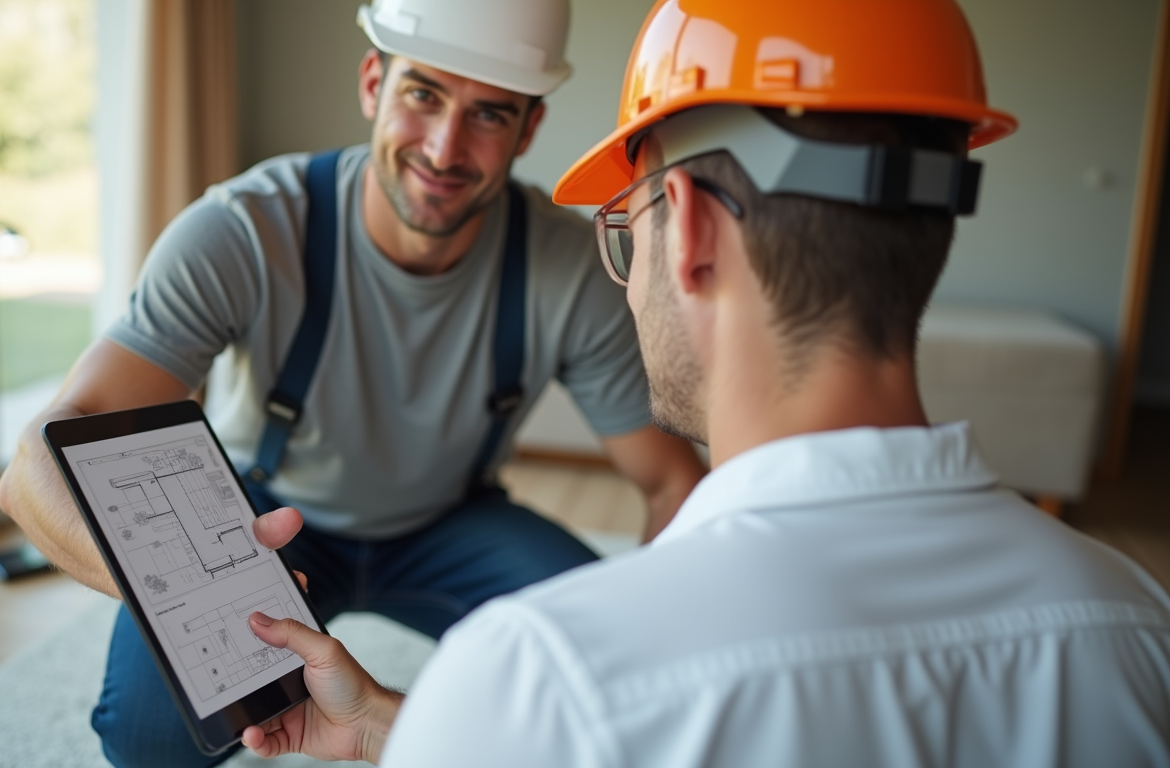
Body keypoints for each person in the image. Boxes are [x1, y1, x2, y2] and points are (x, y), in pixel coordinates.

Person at [230, 0, 1170, 765]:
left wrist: (406, 734)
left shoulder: (545, 678)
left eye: (625, 228)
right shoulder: (1138, 625)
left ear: (688, 228)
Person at [0, 1, 707, 766]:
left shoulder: (567, 267)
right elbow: (36, 467)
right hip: (262, 521)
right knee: (148, 738)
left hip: (450, 526)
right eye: (423, 94)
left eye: (490, 115)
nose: (444, 147)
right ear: (374, 82)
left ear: (528, 131)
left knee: (605, 681)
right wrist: (185, 598)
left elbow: (672, 484)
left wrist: (660, 634)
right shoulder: (246, 230)